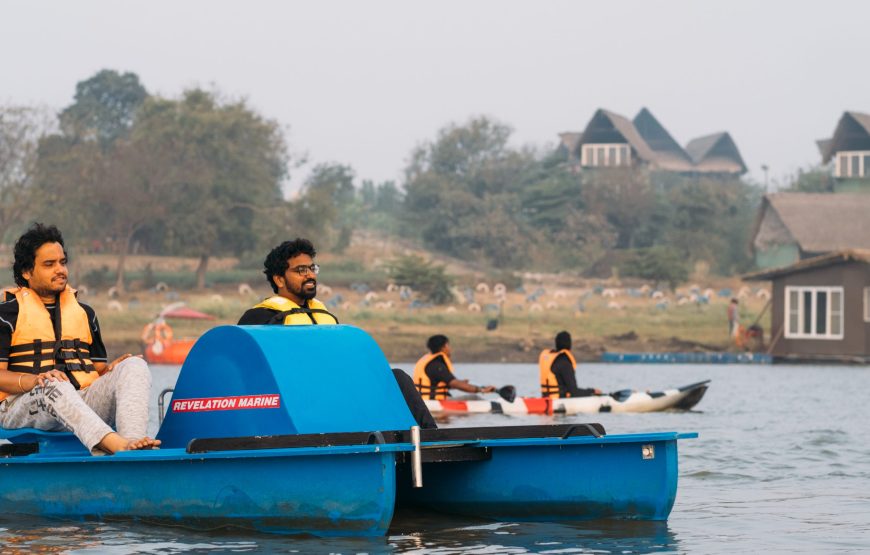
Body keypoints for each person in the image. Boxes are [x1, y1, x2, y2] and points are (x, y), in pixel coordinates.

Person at [238, 238, 436, 429]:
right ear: (279, 279)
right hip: (299, 396)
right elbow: (247, 372)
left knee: (398, 378)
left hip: (337, 391)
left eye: (312, 268)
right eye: (301, 270)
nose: (310, 275)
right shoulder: (259, 317)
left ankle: (432, 439)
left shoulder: (323, 314)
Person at [0, 223, 159, 454]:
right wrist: (36, 380)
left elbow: (95, 371)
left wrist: (111, 372)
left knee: (135, 365)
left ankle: (134, 445)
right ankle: (116, 446)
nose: (60, 270)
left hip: (78, 402)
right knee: (54, 384)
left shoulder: (85, 313)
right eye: (49, 264)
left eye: (62, 262)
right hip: (19, 406)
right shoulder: (6, 316)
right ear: (26, 271)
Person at [413, 334, 495, 400]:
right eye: (448, 345)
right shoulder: (437, 366)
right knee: (474, 398)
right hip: (434, 402)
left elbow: (446, 384)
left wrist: (462, 382)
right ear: (443, 347)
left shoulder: (429, 362)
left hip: (423, 401)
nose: (450, 349)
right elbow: (455, 384)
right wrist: (481, 390)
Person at [538, 331, 600, 398]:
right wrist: (592, 391)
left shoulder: (552, 359)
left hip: (546, 399)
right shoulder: (564, 362)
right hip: (559, 400)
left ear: (556, 344)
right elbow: (574, 392)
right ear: (569, 345)